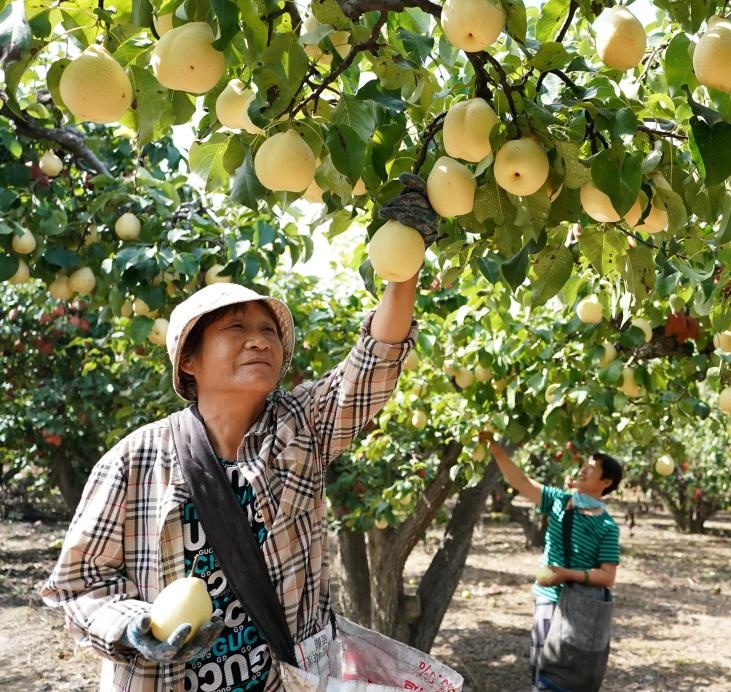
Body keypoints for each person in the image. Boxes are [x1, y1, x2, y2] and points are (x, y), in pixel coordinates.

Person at [41, 176, 436, 691]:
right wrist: (131, 625)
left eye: (268, 330)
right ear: (189, 360)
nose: (259, 342)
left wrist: (404, 264)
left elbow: (372, 367)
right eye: (236, 329)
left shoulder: (299, 431)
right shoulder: (134, 461)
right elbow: (78, 584)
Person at [484, 437, 623, 690]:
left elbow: (607, 576)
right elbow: (522, 483)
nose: (583, 469)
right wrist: (496, 450)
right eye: (586, 465)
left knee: (569, 672)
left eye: (592, 468)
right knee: (543, 668)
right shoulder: (559, 501)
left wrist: (566, 574)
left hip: (581, 607)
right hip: (549, 597)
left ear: (606, 482)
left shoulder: (607, 526)